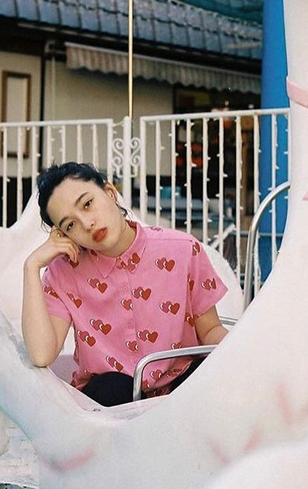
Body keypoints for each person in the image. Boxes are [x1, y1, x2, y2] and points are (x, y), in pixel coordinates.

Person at [22, 162, 229, 407]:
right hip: (111, 403)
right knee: (115, 388)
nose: (87, 223)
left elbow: (210, 331)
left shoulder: (182, 249)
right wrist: (31, 266)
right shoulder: (63, 273)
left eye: (87, 204)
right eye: (70, 225)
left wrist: (247, 353)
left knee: (206, 372)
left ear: (110, 193)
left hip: (181, 395)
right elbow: (41, 354)